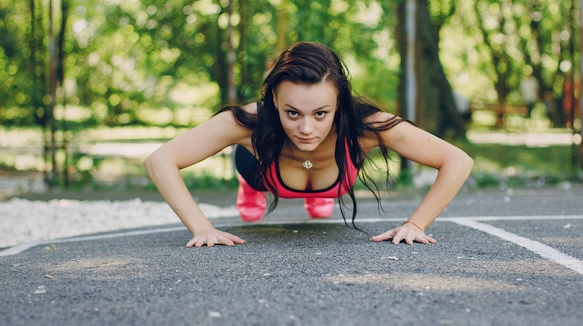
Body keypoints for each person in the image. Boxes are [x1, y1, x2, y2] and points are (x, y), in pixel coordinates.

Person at [145, 42, 473, 248]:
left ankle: (318, 196)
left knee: (319, 198)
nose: (305, 128)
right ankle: (250, 187)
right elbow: (160, 161)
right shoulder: (248, 122)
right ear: (274, 99)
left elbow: (458, 161)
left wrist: (416, 224)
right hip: (261, 168)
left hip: (332, 177)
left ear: (339, 104)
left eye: (320, 113)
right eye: (292, 112)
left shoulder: (366, 126)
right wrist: (201, 228)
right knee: (250, 162)